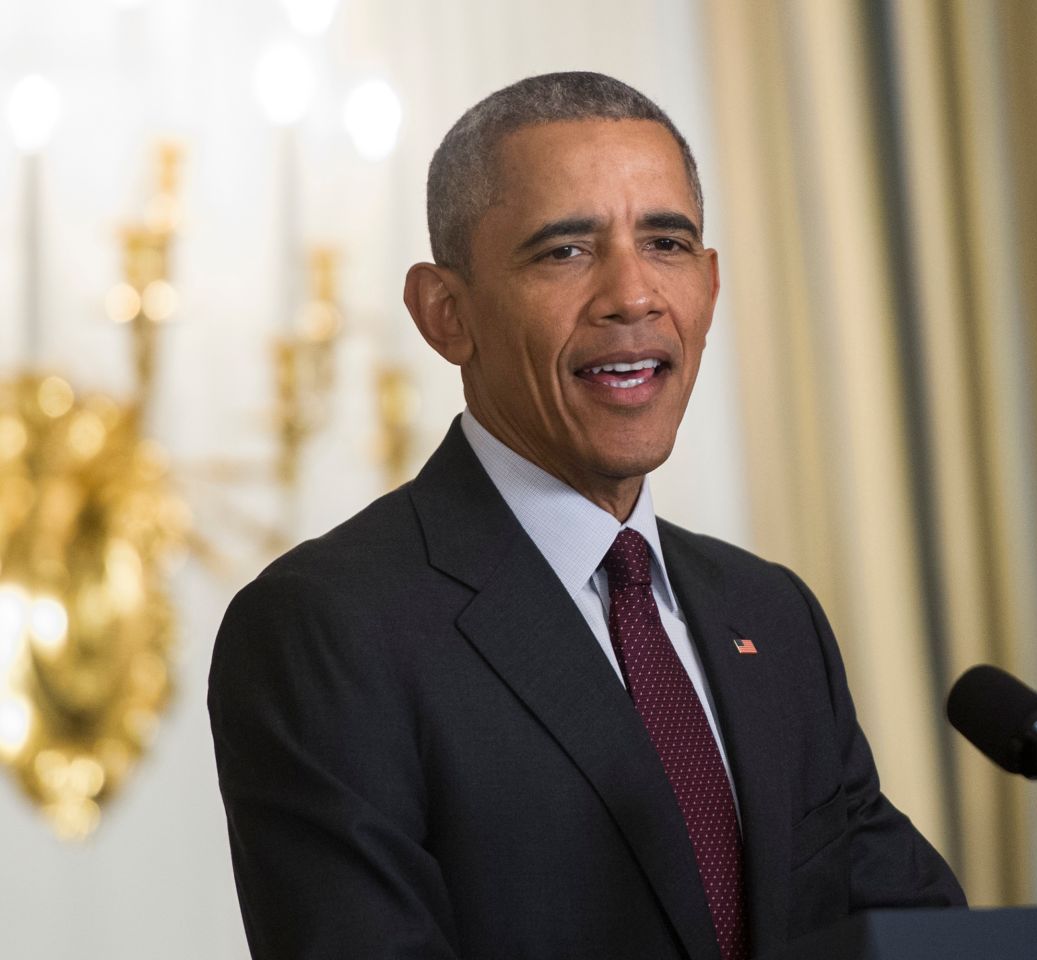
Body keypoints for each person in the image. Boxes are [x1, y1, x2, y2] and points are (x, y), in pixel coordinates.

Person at [207, 72, 963, 960]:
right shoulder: (326, 630)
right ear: (445, 314)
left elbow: (916, 934)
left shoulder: (770, 612)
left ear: (710, 286)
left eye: (667, 243)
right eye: (565, 251)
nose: (632, 295)